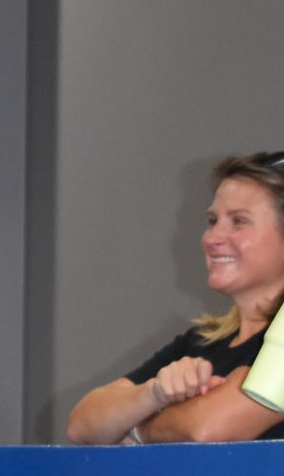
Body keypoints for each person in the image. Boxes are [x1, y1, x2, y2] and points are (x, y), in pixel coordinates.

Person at [66, 154, 284, 447]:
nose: (212, 237)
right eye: (212, 220)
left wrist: (134, 428)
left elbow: (207, 428)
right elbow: (82, 425)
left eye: (239, 221)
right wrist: (155, 393)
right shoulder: (199, 342)